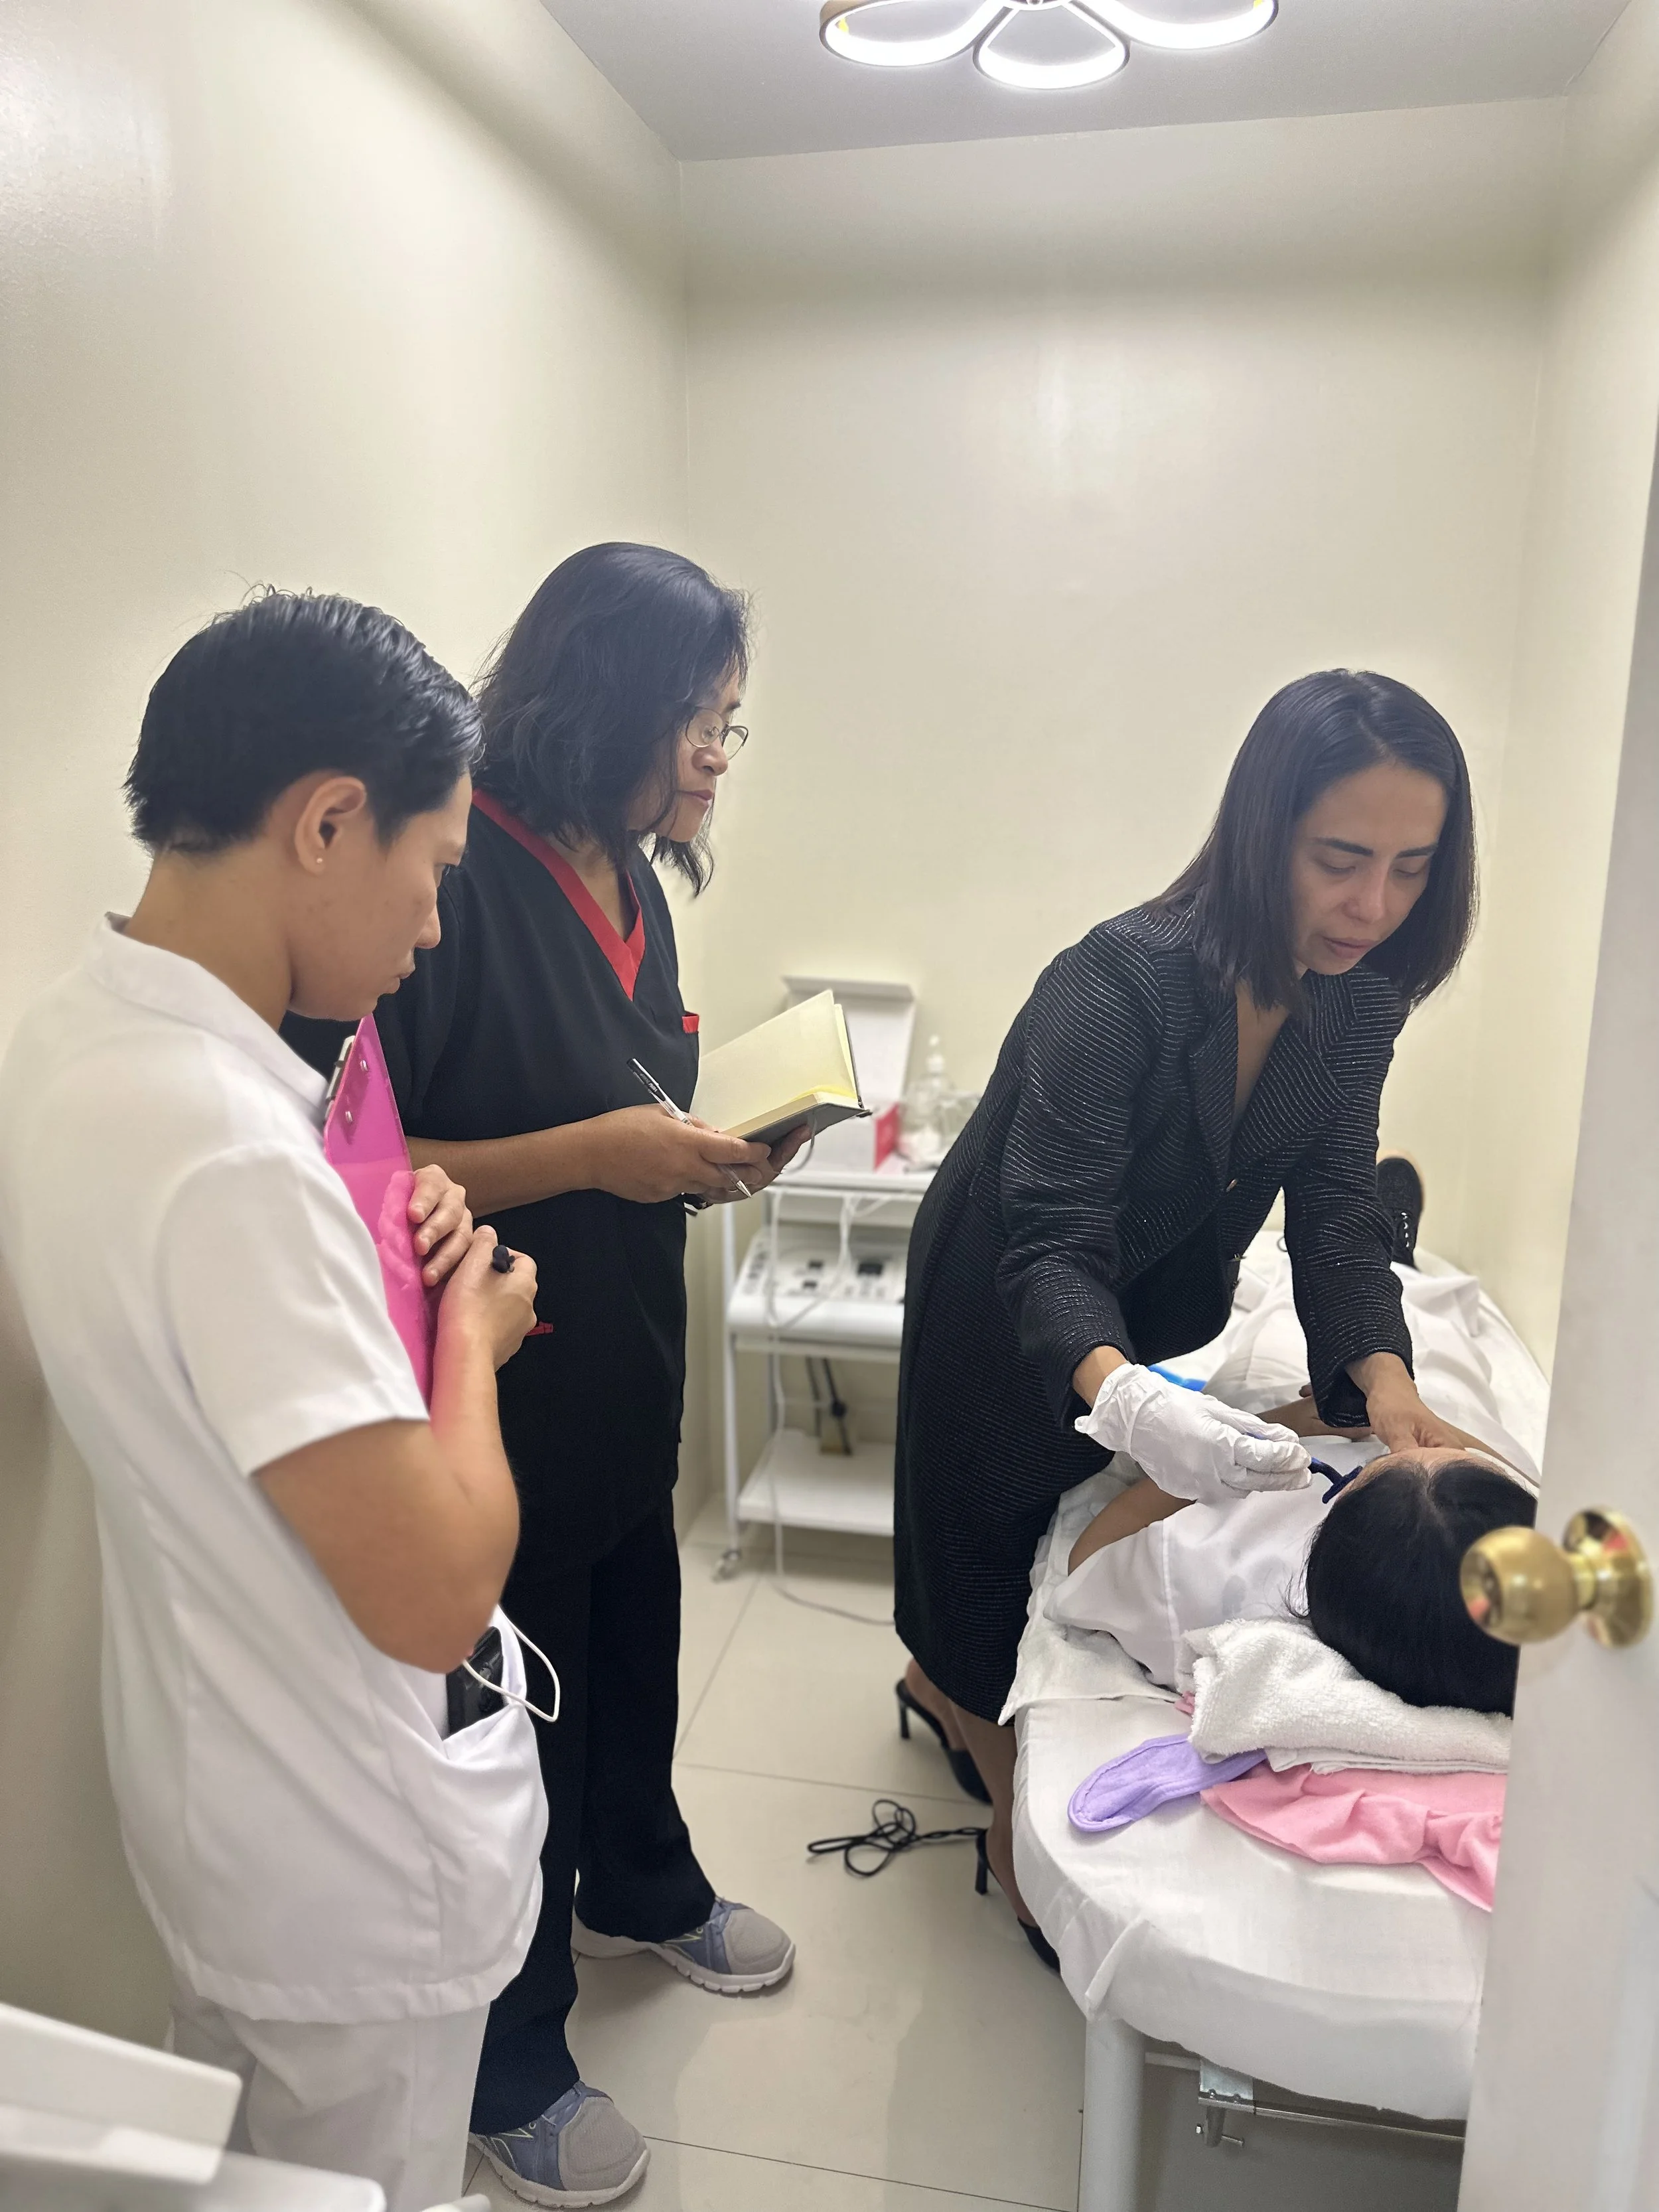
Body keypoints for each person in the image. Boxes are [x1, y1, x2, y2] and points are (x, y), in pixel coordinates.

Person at [0, 592, 545, 2212]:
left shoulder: (74, 1038)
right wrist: (471, 1331)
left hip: (218, 1804)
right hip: (344, 1860)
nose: (433, 926)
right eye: (432, 869)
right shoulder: (231, 1146)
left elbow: (224, 1354)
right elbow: (435, 1593)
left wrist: (380, 1241)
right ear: (325, 822)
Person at [284, 543, 803, 2209]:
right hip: (492, 1378)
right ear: (607, 701)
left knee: (634, 1645)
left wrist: (710, 1154)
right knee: (518, 1731)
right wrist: (597, 1153)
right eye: (697, 720)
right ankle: (510, 2055)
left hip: (622, 1355)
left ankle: (639, 1879)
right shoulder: (456, 887)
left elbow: (633, 1104)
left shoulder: (634, 881)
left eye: (729, 723)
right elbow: (372, 1168)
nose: (715, 756)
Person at [893, 669, 1486, 1962]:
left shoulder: (1358, 995)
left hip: (1149, 1288)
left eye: (1410, 867)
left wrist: (1387, 1388)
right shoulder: (1118, 982)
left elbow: (1337, 1207)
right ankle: (954, 1706)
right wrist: (1117, 1390)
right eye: (1339, 860)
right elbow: (1052, 1237)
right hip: (1004, 1279)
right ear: (1264, 832)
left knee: (1063, 1509)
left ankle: (949, 1679)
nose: (1374, 906)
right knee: (975, 1525)